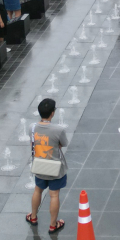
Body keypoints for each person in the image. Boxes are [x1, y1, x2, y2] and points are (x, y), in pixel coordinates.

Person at [27, 98, 68, 232]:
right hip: (55, 168)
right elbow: (63, 144)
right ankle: (52, 225)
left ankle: (33, 217)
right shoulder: (58, 130)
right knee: (54, 195)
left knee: (37, 190)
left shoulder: (32, 127)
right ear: (52, 113)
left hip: (39, 166)